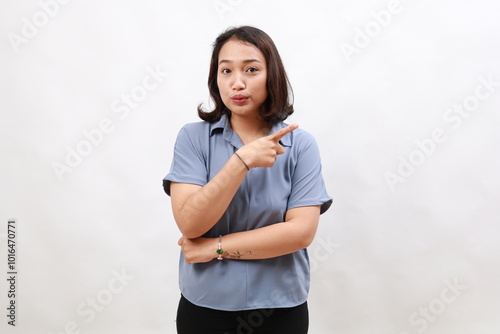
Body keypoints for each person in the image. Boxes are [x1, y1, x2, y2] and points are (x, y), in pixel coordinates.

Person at [163, 25, 332, 334]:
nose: (237, 83)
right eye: (226, 71)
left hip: (280, 309)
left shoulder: (301, 145)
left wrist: (214, 247)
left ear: (272, 76)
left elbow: (300, 233)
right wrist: (241, 161)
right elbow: (190, 224)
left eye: (251, 69)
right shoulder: (193, 138)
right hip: (205, 307)